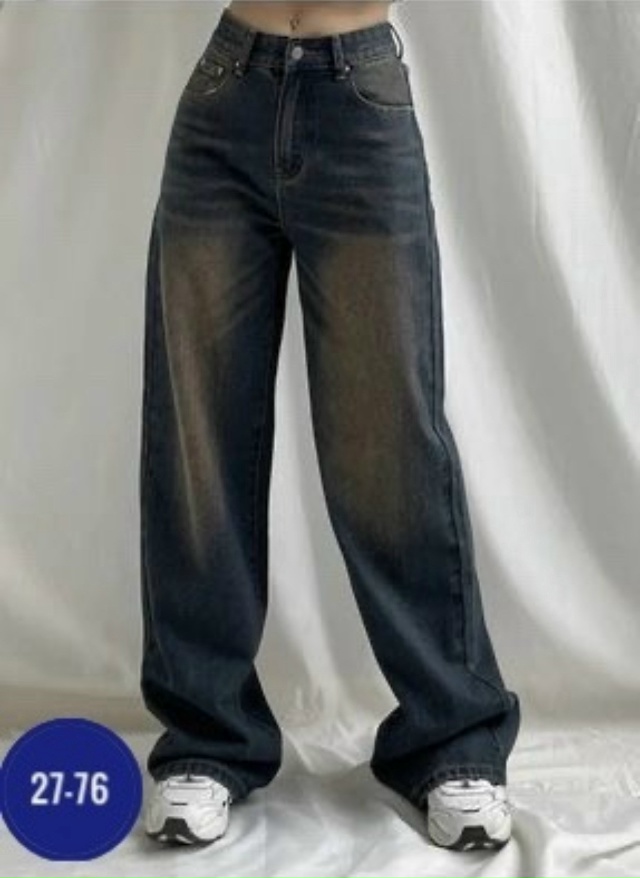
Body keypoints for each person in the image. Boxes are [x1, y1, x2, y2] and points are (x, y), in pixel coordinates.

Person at [139, 0, 521, 853]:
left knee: (389, 444)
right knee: (198, 438)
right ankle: (206, 737)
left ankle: (454, 739)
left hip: (361, 100)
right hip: (224, 93)